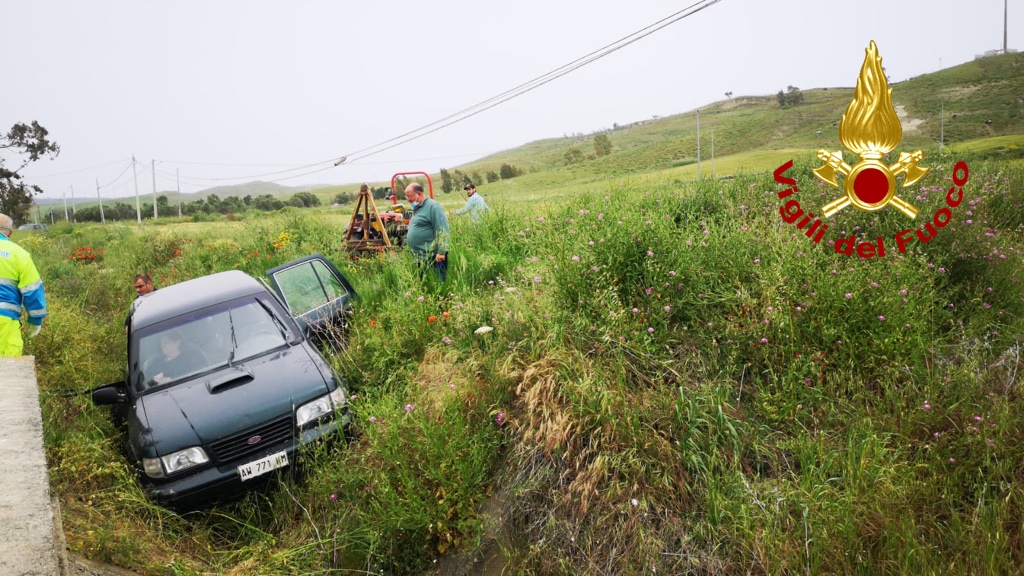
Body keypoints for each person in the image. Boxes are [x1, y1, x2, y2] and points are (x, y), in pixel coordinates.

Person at [0, 213, 47, 356]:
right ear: (10, 233)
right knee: (7, 366)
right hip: (4, 321)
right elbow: (33, 290)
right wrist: (36, 320)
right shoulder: (19, 254)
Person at [404, 183, 450, 282]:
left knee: (438, 285)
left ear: (419, 193)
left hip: (434, 257)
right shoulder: (417, 208)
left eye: (410, 196)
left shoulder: (433, 207)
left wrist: (441, 252)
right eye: (406, 197)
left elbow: (442, 229)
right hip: (420, 258)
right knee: (426, 285)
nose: (408, 199)